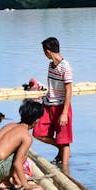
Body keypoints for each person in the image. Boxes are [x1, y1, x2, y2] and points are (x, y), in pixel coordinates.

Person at [32, 36, 73, 167]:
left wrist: (64, 113)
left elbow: (69, 90)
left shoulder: (65, 67)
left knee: (64, 140)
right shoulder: (51, 65)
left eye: (44, 52)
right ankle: (60, 149)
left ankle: (65, 171)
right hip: (48, 105)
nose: (44, 55)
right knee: (38, 133)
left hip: (61, 107)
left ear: (48, 51)